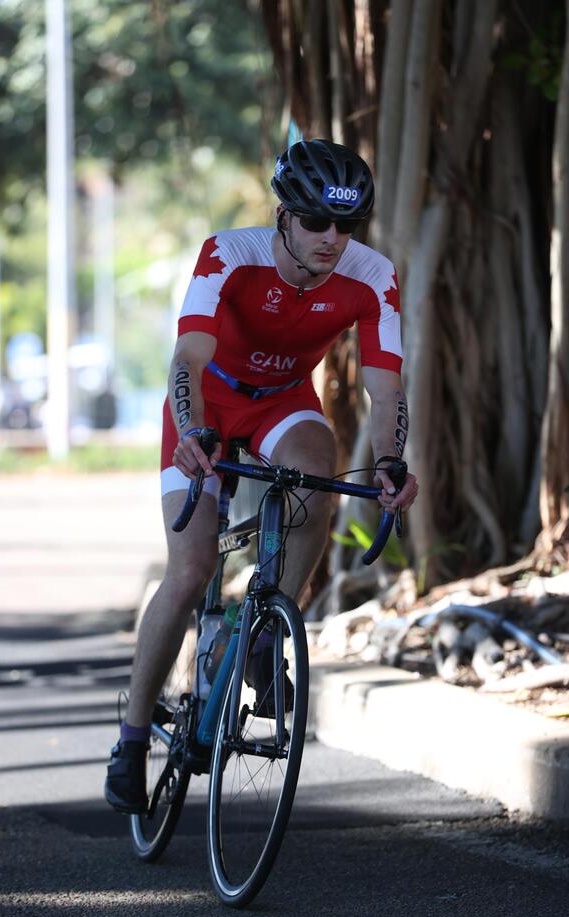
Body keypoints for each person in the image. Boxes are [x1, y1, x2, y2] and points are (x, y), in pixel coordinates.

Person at [105, 139, 419, 813]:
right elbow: (187, 359)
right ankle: (130, 738)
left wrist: (393, 462)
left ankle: (269, 627)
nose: (332, 239)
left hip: (281, 403)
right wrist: (191, 433)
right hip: (207, 401)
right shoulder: (229, 254)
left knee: (319, 468)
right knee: (189, 572)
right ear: (284, 215)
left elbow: (387, 393)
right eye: (315, 222)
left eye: (346, 225)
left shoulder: (373, 275)